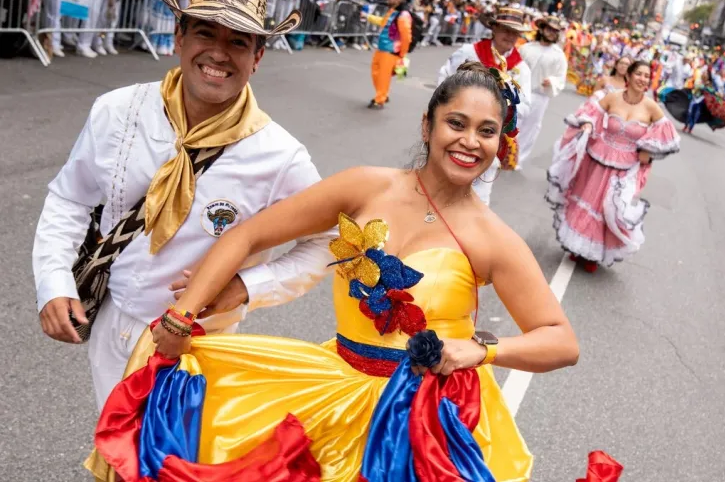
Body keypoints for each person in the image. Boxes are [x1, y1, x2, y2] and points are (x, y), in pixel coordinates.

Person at [87, 63, 579, 481]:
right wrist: (181, 315)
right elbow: (249, 235)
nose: (469, 142)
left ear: (500, 142)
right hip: (333, 386)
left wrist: (481, 350)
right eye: (456, 123)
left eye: (487, 131)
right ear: (427, 126)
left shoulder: (493, 239)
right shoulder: (365, 187)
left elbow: (560, 341)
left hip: (423, 421)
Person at [32, 0, 333, 414]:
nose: (218, 53)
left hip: (200, 346)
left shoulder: (280, 157)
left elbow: (326, 242)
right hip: (112, 321)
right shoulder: (118, 109)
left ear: (258, 57)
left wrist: (247, 285)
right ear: (178, 37)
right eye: (205, 33)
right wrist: (53, 280)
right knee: (114, 450)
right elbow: (70, 198)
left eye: (238, 42)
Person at [546, 60, 680, 272]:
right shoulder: (613, 97)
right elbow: (590, 112)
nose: (643, 79)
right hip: (597, 157)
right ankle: (577, 246)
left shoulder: (651, 107)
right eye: (639, 74)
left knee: (608, 208)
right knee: (588, 201)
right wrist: (589, 124)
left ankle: (592, 255)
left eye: (647, 76)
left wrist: (648, 150)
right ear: (629, 76)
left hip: (624, 168)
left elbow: (668, 136)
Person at [437, 6, 532, 205]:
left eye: (515, 32)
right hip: (457, 127)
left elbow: (525, 107)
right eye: (505, 29)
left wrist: (504, 104)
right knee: (443, 177)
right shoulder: (470, 52)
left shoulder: (520, 69)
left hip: (489, 137)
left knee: (479, 192)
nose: (510, 36)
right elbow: (444, 80)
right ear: (494, 28)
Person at [518, 15, 568, 167]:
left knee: (530, 128)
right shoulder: (526, 48)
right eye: (549, 29)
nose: (551, 33)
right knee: (513, 122)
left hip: (540, 96)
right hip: (519, 92)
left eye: (555, 31)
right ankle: (501, 153)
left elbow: (561, 78)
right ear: (542, 29)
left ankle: (517, 158)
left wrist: (551, 82)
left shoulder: (559, 55)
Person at [365, 0, 412, 110]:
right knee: (375, 73)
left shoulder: (403, 15)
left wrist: (401, 54)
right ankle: (382, 94)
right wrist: (368, 17)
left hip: (391, 51)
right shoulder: (392, 11)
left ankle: (380, 99)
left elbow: (406, 37)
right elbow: (383, 22)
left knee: (383, 76)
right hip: (381, 47)